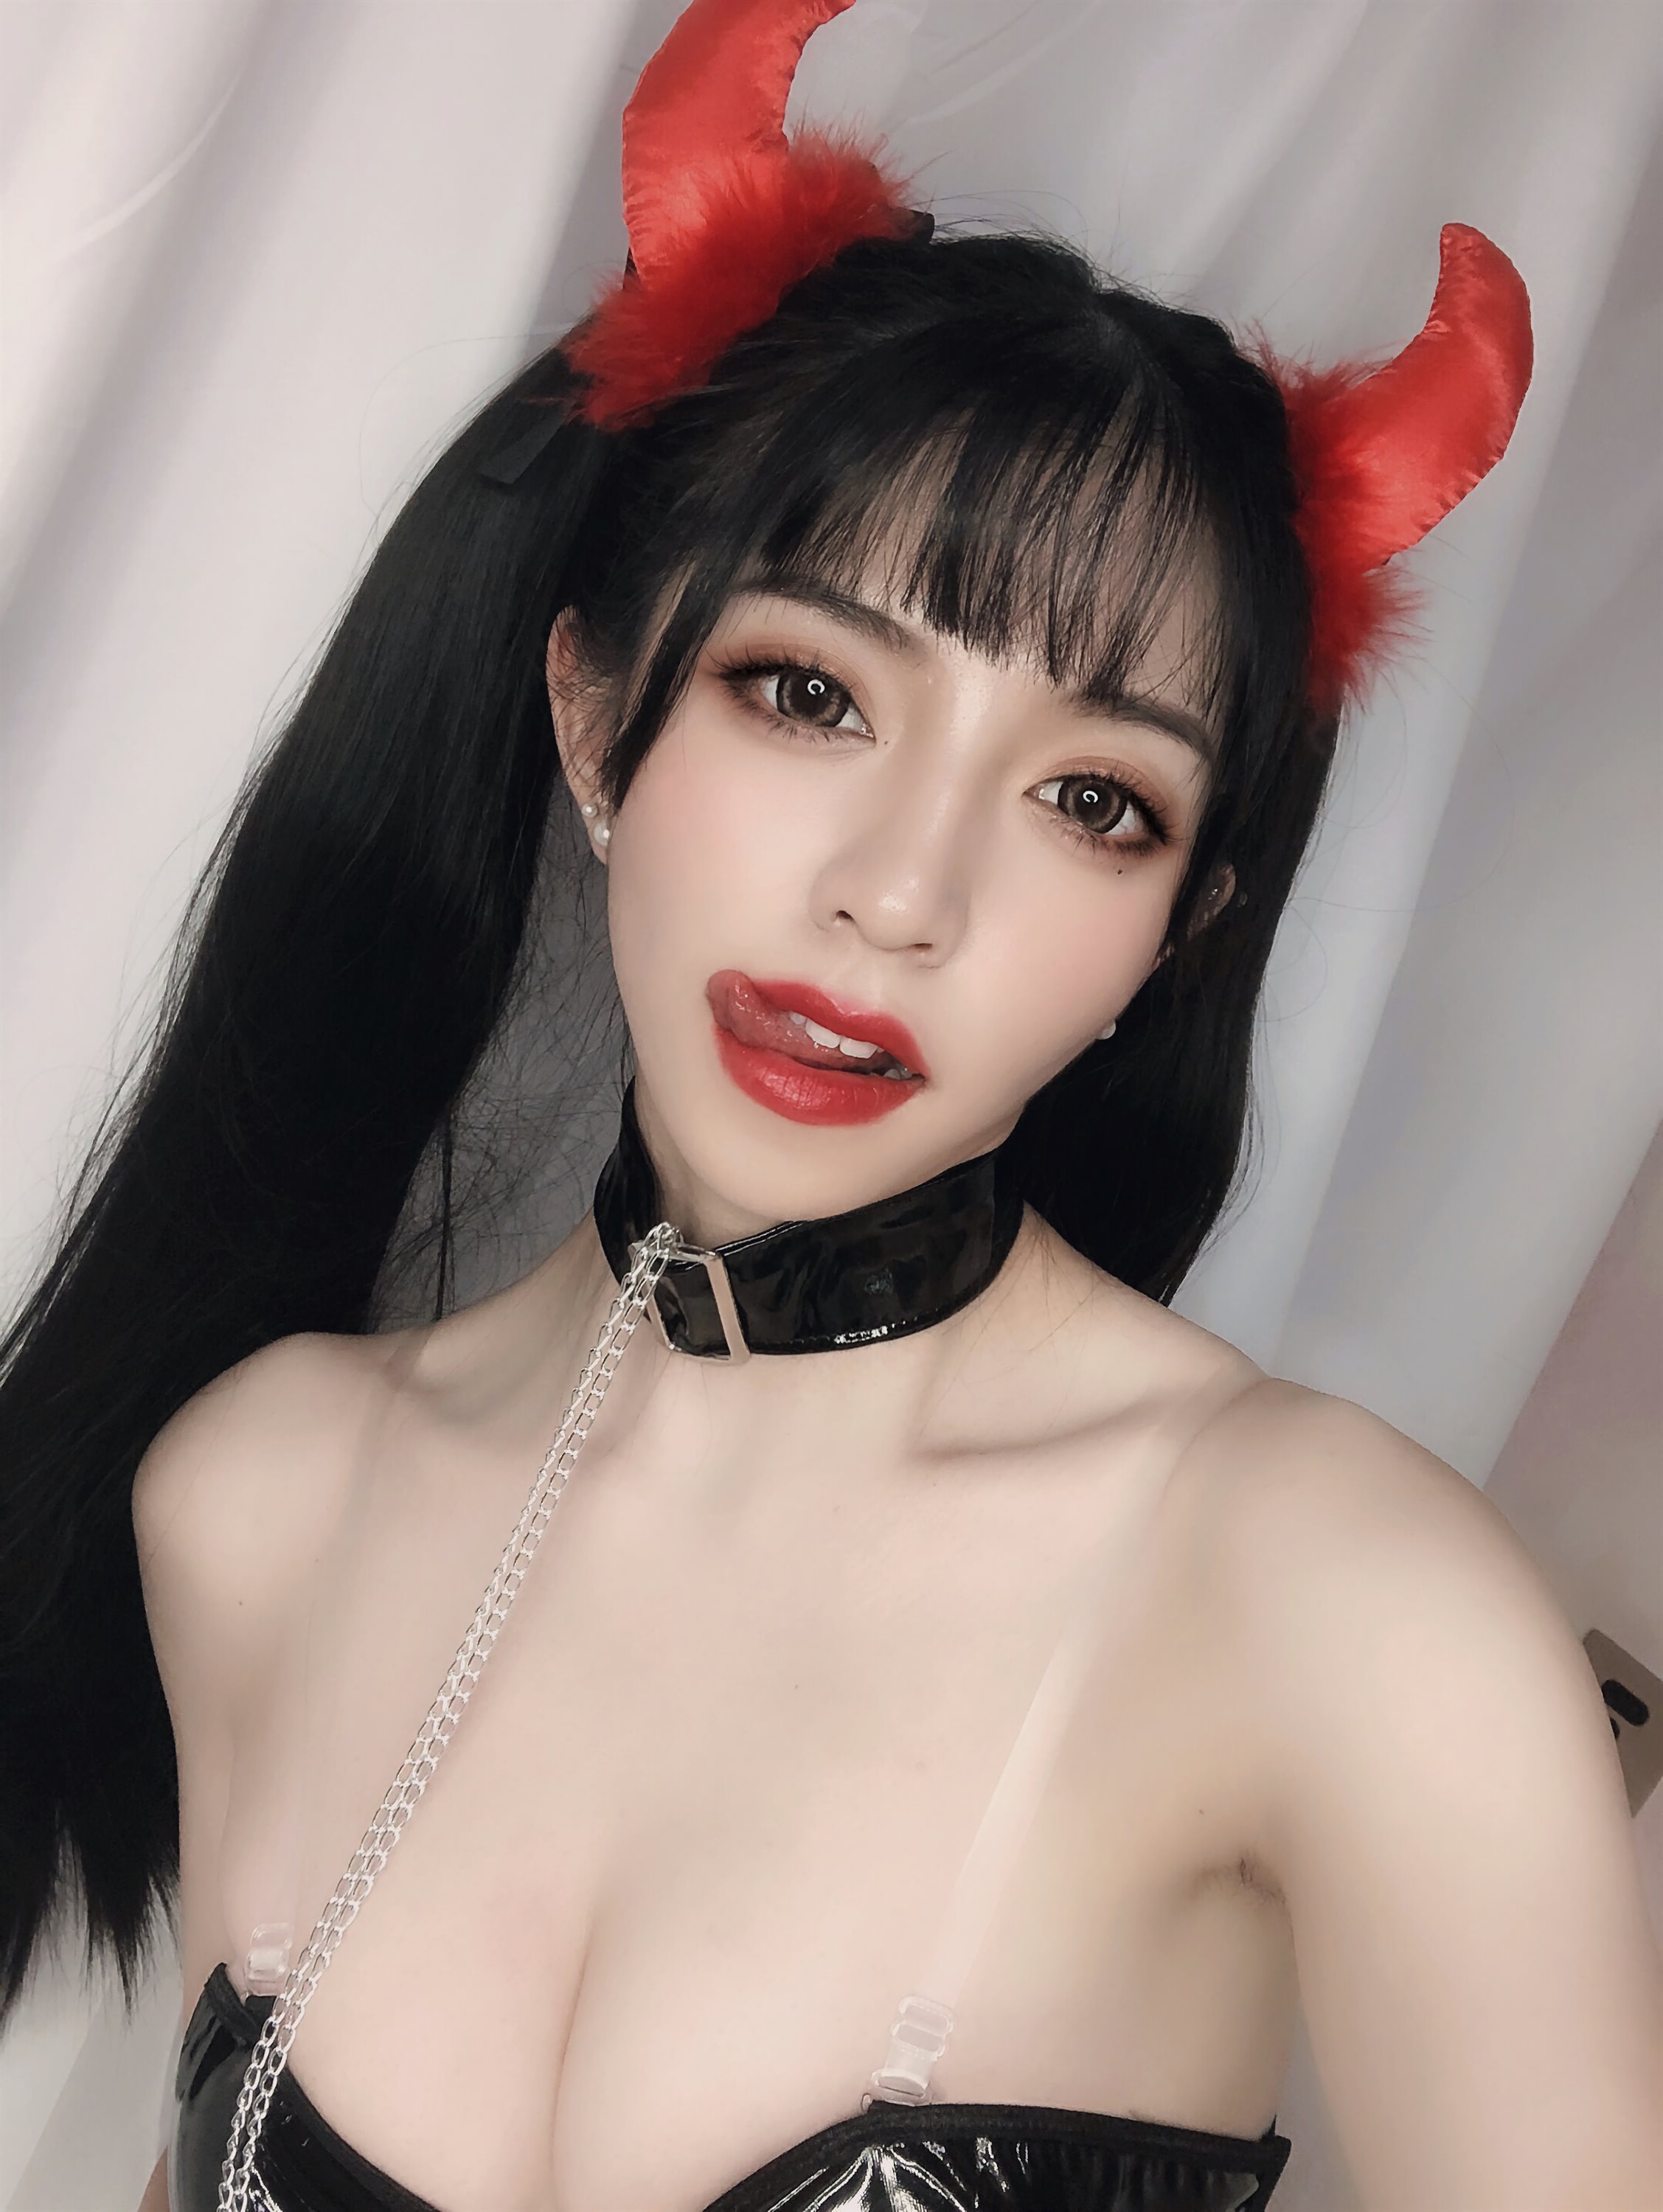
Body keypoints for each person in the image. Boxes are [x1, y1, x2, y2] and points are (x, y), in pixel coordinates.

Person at [1, 1, 1656, 2207]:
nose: (902, 893)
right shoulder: (255, 1497)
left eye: (1093, 800)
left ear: (1178, 929)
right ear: (595, 713)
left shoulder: (1340, 1607)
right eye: (807, 692)